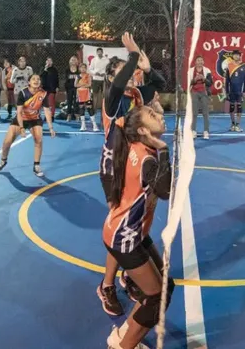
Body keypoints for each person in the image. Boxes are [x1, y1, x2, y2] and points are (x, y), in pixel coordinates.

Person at [98, 34, 165, 319]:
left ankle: (129, 275)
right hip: (116, 168)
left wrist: (147, 67)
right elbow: (119, 79)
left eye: (129, 72)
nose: (129, 75)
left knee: (142, 221)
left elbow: (160, 85)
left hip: (139, 165)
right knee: (122, 225)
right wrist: (133, 55)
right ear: (111, 76)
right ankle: (107, 285)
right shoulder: (111, 99)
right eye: (120, 71)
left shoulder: (137, 95)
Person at [104, 103, 175, 349]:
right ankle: (123, 346)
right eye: (153, 115)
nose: (160, 116)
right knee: (156, 297)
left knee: (165, 286)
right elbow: (164, 190)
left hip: (129, 232)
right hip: (124, 237)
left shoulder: (136, 146)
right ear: (143, 131)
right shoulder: (146, 157)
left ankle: (124, 334)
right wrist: (165, 149)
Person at [0, 73, 47, 177]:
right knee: (7, 141)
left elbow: (46, 110)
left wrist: (50, 126)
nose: (36, 81)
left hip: (34, 119)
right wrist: (22, 128)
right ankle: (3, 161)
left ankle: (36, 166)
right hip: (21, 118)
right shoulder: (23, 93)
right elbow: (18, 112)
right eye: (33, 79)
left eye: (38, 79)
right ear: (29, 82)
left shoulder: (42, 94)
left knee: (38, 140)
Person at [190, 56, 213, 139]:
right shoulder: (191, 71)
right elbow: (189, 83)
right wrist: (195, 79)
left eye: (201, 60)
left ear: (203, 62)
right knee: (194, 113)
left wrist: (204, 79)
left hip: (204, 93)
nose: (199, 62)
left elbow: (210, 83)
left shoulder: (207, 71)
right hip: (194, 92)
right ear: (195, 62)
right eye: (198, 60)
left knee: (205, 113)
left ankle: (206, 131)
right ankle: (193, 131)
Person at [224, 50, 245, 133]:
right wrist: (227, 91)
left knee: (239, 108)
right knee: (231, 108)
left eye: (238, 55)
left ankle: (238, 125)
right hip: (231, 91)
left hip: (240, 91)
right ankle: (233, 124)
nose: (236, 56)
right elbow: (227, 80)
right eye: (235, 55)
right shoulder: (229, 66)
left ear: (240, 56)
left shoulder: (244, 66)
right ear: (232, 56)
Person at [40, 56, 59, 137]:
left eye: (50, 60)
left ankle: (52, 116)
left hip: (52, 88)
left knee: (51, 102)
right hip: (44, 88)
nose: (49, 62)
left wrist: (57, 86)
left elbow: (57, 79)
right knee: (44, 104)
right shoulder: (43, 69)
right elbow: (41, 77)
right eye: (47, 60)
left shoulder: (54, 69)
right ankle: (45, 116)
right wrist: (45, 69)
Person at [90, 47, 110, 116]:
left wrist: (105, 74)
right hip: (95, 79)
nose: (99, 53)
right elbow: (90, 69)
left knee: (104, 95)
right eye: (98, 52)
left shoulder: (107, 60)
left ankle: (103, 110)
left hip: (104, 79)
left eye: (100, 51)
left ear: (102, 52)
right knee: (95, 94)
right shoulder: (93, 60)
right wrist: (95, 73)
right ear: (96, 52)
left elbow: (109, 69)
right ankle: (94, 110)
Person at [77, 63, 95, 131]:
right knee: (81, 108)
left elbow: (89, 84)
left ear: (86, 68)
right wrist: (84, 85)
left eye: (84, 67)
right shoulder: (78, 76)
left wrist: (82, 85)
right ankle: (83, 125)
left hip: (87, 93)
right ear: (79, 69)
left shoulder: (88, 75)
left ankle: (94, 125)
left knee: (89, 108)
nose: (83, 69)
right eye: (81, 67)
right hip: (80, 94)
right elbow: (75, 85)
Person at [65, 55, 81, 122]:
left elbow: (81, 79)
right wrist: (66, 89)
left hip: (77, 89)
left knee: (76, 102)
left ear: (77, 61)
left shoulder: (79, 69)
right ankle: (69, 115)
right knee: (69, 102)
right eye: (72, 60)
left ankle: (77, 115)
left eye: (75, 60)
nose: (73, 61)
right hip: (69, 88)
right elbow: (66, 80)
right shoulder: (67, 69)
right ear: (70, 61)